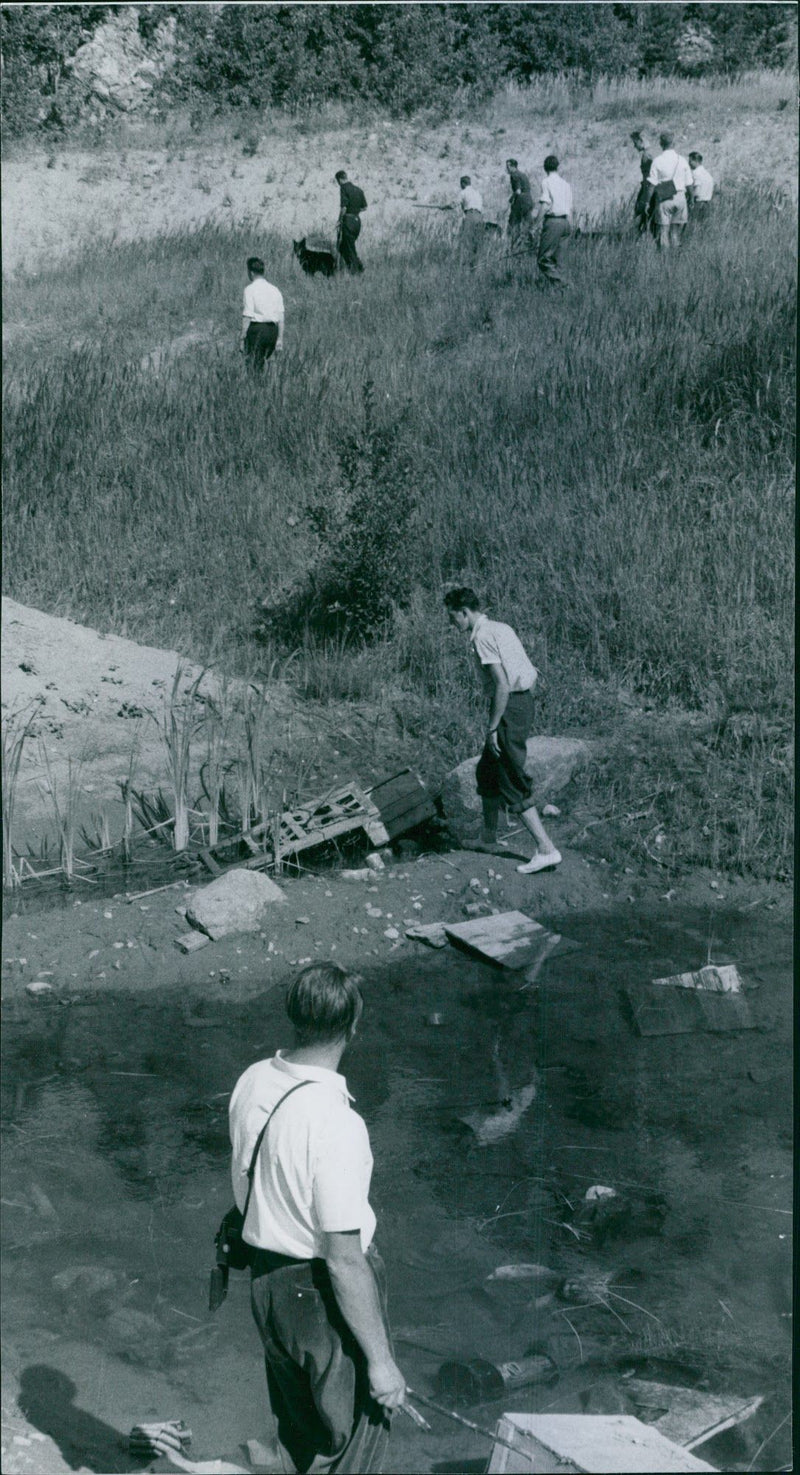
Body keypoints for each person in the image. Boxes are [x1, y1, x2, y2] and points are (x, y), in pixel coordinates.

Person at [229, 963, 405, 1474]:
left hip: (266, 1286)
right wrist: (382, 1362)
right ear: (354, 1025)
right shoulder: (336, 1122)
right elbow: (344, 1259)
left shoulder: (254, 1078)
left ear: (293, 1015)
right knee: (352, 1447)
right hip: (317, 1300)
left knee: (299, 1438)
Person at [444, 588, 561, 874]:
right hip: (522, 701)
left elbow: (501, 684)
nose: (452, 624)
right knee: (487, 770)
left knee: (509, 776)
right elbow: (527, 673)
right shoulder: (500, 627)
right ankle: (488, 838)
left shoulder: (482, 637)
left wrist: (493, 727)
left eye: (453, 617)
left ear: (464, 612)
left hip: (510, 705)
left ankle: (546, 848)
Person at [647, 132, 693, 249]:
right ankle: (676, 261)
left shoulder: (657, 161)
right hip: (680, 197)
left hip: (664, 199)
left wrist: (647, 202)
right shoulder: (682, 160)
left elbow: (652, 184)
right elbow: (689, 183)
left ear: (661, 144)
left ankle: (665, 262)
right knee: (675, 233)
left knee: (663, 233)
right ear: (674, 143)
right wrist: (691, 199)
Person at [241, 257, 284, 368]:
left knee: (253, 366)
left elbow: (247, 316)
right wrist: (280, 338)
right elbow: (281, 318)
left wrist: (242, 338)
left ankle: (256, 384)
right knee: (268, 364)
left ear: (251, 272)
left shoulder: (249, 289)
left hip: (257, 330)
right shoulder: (275, 290)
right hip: (273, 331)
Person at [536, 155, 572, 286]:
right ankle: (563, 293)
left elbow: (545, 205)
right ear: (557, 167)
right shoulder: (566, 184)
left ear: (545, 168)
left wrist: (534, 224)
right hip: (565, 223)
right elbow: (569, 208)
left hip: (553, 222)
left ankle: (563, 284)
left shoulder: (546, 182)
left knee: (543, 259)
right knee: (560, 261)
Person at [335, 170, 367, 274]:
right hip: (357, 222)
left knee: (348, 248)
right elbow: (364, 207)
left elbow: (343, 207)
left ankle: (357, 271)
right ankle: (353, 268)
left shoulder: (343, 188)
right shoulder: (358, 190)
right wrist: (355, 211)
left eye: (337, 181)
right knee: (345, 246)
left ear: (339, 179)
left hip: (348, 221)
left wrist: (339, 220)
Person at [506, 158, 534, 249]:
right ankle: (531, 244)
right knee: (528, 224)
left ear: (512, 167)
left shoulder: (514, 175)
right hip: (529, 200)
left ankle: (513, 246)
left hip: (521, 201)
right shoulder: (523, 175)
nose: (507, 168)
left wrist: (511, 198)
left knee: (513, 223)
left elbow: (518, 191)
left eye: (508, 166)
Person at [633, 154, 657, 238]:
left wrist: (643, 203)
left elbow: (648, 189)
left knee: (647, 224)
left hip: (649, 199)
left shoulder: (649, 175)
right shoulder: (649, 174)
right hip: (648, 198)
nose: (641, 167)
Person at [688, 151, 714, 221]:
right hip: (707, 203)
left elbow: (697, 190)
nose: (689, 164)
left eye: (690, 161)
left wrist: (691, 199)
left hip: (698, 203)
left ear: (695, 161)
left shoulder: (696, 173)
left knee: (693, 223)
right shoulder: (707, 174)